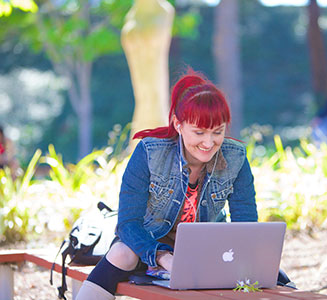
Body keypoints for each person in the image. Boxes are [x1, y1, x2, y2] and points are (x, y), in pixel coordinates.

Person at [76, 70, 290, 299]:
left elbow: (245, 225)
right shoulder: (149, 153)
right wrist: (164, 257)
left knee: (274, 274)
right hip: (149, 246)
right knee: (121, 253)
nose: (209, 142)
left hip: (206, 247)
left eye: (218, 132)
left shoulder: (235, 158)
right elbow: (128, 224)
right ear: (178, 125)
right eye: (199, 132)